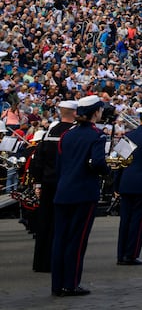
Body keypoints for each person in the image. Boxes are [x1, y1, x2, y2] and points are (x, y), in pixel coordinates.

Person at [50, 95, 110, 297]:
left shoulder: (66, 135)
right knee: (77, 239)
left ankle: (57, 284)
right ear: (95, 112)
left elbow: (59, 166)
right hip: (84, 192)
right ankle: (71, 283)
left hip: (63, 191)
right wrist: (107, 172)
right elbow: (99, 163)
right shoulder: (97, 135)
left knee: (60, 239)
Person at [28, 100, 77, 273]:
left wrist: (38, 183)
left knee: (45, 223)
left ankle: (41, 262)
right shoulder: (72, 133)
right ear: (75, 113)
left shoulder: (50, 133)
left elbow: (37, 161)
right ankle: (59, 261)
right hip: (65, 184)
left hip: (48, 183)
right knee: (63, 224)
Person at [115, 104, 142, 266]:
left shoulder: (129, 135)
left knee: (125, 220)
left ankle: (121, 254)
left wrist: (116, 185)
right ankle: (131, 254)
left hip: (126, 182)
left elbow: (119, 161)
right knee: (138, 221)